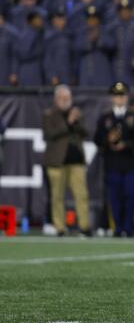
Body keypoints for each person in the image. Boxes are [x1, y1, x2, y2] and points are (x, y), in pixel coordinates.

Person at [94, 82, 134, 237]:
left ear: (126, 97)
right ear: (112, 98)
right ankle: (117, 227)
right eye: (117, 96)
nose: (120, 99)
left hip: (130, 163)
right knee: (114, 198)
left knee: (130, 196)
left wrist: (126, 144)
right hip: (112, 163)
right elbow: (97, 140)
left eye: (122, 96)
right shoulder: (105, 118)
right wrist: (108, 140)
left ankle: (128, 228)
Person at [42, 85, 91, 236]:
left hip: (76, 160)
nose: (65, 101)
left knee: (81, 195)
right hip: (57, 161)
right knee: (57, 196)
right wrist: (68, 122)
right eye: (62, 98)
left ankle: (84, 226)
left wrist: (76, 121)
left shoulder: (76, 113)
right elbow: (49, 134)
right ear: (56, 99)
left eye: (67, 98)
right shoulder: (49, 114)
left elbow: (86, 132)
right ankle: (60, 227)